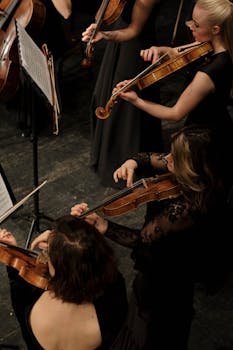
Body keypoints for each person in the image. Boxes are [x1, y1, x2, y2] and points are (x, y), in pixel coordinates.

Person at [71, 125, 233, 349]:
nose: (166, 160)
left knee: (153, 328)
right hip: (179, 263)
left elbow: (142, 239)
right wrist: (132, 163)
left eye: (174, 159)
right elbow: (149, 158)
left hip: (166, 277)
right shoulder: (209, 172)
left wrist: (103, 225)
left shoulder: (182, 214)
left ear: (190, 169)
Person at [114, 0, 233, 184]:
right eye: (191, 21)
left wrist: (136, 100)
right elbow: (173, 52)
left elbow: (174, 114)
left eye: (196, 24)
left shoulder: (209, 73)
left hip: (205, 138)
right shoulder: (210, 45)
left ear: (216, 29)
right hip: (215, 125)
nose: (191, 27)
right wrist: (157, 50)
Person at [81, 0, 196, 188]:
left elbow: (133, 30)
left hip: (135, 44)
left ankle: (128, 161)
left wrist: (106, 34)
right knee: (107, 95)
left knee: (125, 105)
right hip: (121, 38)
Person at [0, 215, 128, 350]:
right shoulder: (113, 291)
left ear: (55, 269)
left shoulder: (30, 301)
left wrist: (12, 250)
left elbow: (17, 285)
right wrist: (63, 244)